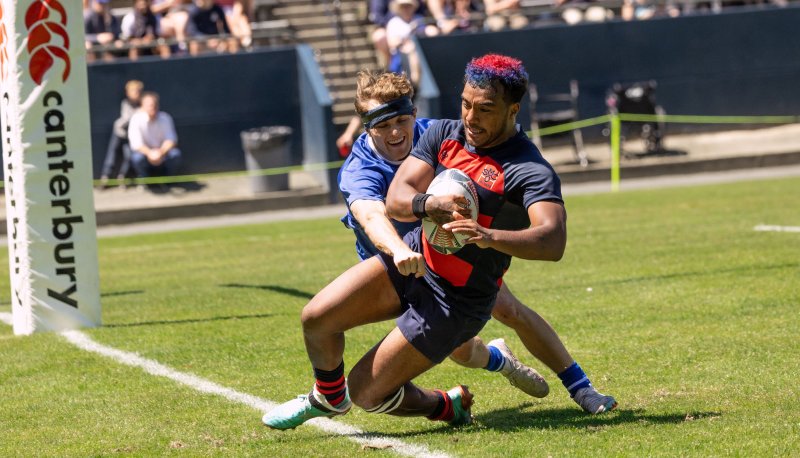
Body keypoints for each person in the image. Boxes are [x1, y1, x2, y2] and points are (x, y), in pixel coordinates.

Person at [262, 55, 615, 431]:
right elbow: (388, 204)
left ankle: (577, 386)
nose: (471, 117)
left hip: (459, 296)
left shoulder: (528, 169)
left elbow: (552, 241)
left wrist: (489, 236)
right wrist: (428, 206)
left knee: (368, 390)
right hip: (407, 258)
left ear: (512, 110)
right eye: (465, 103)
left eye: (485, 109)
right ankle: (343, 398)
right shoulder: (441, 135)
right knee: (315, 318)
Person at [338, 70, 549, 400]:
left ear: (414, 115)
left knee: (506, 311)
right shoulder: (359, 168)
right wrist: (398, 250)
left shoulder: (438, 134)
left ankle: (574, 381)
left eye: (401, 121)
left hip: (451, 254)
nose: (395, 132)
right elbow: (372, 215)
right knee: (459, 349)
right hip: (396, 261)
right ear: (366, 128)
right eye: (382, 126)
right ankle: (327, 393)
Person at [127, 91, 182, 189]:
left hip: (162, 153)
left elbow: (171, 139)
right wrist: (150, 153)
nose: (153, 107)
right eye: (150, 105)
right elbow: (136, 144)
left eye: (155, 104)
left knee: (175, 154)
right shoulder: (136, 119)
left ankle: (167, 181)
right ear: (142, 106)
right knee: (136, 158)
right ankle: (146, 182)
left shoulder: (165, 118)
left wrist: (161, 152)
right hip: (145, 154)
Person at [100, 80, 144, 190]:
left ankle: (122, 178)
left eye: (138, 91)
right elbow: (127, 119)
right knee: (113, 153)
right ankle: (106, 177)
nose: (136, 93)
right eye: (133, 91)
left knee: (129, 155)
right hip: (121, 134)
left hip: (133, 136)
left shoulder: (143, 104)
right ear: (127, 92)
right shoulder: (125, 103)